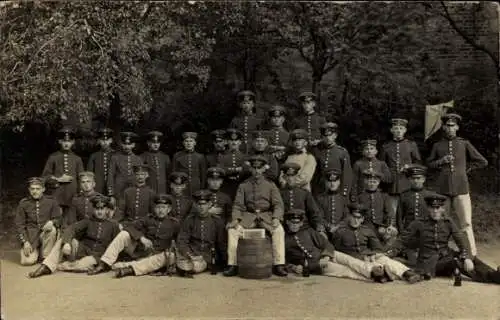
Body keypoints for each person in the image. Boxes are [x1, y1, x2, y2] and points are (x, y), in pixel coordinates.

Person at [401, 193, 500, 284]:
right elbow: (403, 239)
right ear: (428, 208)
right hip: (429, 264)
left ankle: (495, 273)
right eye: (432, 208)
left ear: (442, 209)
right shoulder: (419, 223)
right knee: (456, 261)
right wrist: (388, 252)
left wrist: (467, 257)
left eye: (438, 207)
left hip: (445, 256)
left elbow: (460, 239)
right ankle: (492, 278)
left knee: (471, 258)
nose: (435, 211)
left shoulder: (447, 222)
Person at [426, 113, 488, 257]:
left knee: (466, 222)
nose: (450, 128)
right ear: (443, 127)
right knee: (442, 222)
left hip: (461, 188)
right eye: (447, 126)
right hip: (443, 189)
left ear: (457, 127)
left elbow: (482, 161)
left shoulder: (464, 143)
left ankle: (471, 254)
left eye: (452, 126)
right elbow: (429, 164)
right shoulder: (437, 145)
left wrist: (466, 169)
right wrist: (441, 161)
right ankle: (441, 252)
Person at [223, 155, 288, 277]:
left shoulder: (271, 185)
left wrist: (276, 218)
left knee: (279, 230)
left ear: (264, 169)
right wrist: (236, 219)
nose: (257, 171)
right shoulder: (243, 185)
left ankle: (279, 264)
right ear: (251, 169)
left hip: (266, 216)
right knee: (233, 231)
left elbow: (278, 204)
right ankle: (233, 265)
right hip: (249, 216)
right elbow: (237, 204)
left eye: (260, 168)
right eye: (254, 168)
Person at [27, 194, 120, 277]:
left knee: (81, 265)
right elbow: (71, 229)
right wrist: (67, 243)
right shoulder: (88, 221)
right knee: (63, 241)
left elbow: (117, 246)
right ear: (94, 209)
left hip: (97, 256)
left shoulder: (113, 225)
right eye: (97, 209)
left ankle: (63, 265)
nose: (99, 212)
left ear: (106, 209)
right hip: (82, 250)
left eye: (102, 209)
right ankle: (46, 266)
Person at [87, 194, 180, 277]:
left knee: (170, 256)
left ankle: (129, 269)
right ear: (154, 208)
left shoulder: (174, 223)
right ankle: (105, 264)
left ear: (169, 209)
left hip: (158, 256)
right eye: (158, 207)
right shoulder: (148, 219)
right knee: (124, 234)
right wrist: (141, 238)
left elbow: (180, 241)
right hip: (143, 252)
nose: (161, 210)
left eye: (163, 207)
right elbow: (128, 226)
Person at [284, 208, 386, 282]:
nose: (295, 225)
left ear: (301, 223)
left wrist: (326, 255)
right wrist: (293, 268)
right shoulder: (283, 239)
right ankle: (376, 277)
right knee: (345, 271)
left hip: (327, 254)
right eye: (292, 222)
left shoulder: (308, 231)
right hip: (316, 265)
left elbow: (327, 244)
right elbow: (283, 261)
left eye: (297, 223)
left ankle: (375, 271)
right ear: (287, 222)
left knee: (350, 261)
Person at [332, 203, 421, 284]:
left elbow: (378, 248)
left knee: (384, 259)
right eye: (353, 217)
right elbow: (337, 251)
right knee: (356, 263)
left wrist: (373, 255)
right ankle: (381, 274)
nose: (355, 221)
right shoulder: (341, 231)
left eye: (358, 218)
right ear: (349, 217)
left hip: (366, 256)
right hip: (351, 258)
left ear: (362, 219)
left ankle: (407, 273)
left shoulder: (367, 231)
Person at [176, 189, 227, 278]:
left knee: (195, 266)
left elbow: (221, 243)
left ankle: (187, 268)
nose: (201, 207)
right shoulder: (190, 220)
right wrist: (189, 254)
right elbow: (182, 240)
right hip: (192, 253)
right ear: (195, 205)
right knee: (175, 257)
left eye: (204, 204)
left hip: (208, 256)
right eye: (199, 204)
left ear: (210, 204)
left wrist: (224, 262)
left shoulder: (217, 221)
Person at [380, 118, 422, 223]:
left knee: (408, 212)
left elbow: (418, 162)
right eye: (396, 128)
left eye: (401, 128)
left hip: (407, 183)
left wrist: (409, 166)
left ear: (405, 130)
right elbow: (382, 165)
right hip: (392, 184)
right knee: (392, 214)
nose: (398, 131)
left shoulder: (411, 145)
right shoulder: (386, 146)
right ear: (391, 130)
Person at [15, 177, 61, 266]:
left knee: (52, 230)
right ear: (29, 190)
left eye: (38, 189)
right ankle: (37, 251)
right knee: (27, 262)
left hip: (45, 233)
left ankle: (45, 256)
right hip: (31, 237)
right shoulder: (24, 203)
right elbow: (19, 224)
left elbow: (59, 219)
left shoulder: (51, 202)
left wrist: (52, 222)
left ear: (43, 189)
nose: (34, 191)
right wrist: (25, 242)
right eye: (32, 189)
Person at [42, 127, 84, 220]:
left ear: (73, 142)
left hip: (72, 195)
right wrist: (58, 179)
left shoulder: (77, 159)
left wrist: (80, 194)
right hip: (57, 194)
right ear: (60, 141)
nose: (66, 143)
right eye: (64, 141)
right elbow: (45, 177)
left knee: (70, 221)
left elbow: (81, 178)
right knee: (56, 219)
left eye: (69, 141)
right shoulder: (53, 157)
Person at [396, 164, 432, 265]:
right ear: (409, 180)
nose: (415, 181)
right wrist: (402, 233)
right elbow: (399, 217)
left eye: (418, 178)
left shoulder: (429, 196)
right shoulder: (404, 195)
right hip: (409, 234)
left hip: (425, 235)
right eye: (413, 178)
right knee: (412, 260)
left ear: (423, 179)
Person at [279, 162, 324, 234]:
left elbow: (314, 212)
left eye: (293, 176)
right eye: (288, 176)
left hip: (303, 227)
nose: (290, 179)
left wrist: (319, 226)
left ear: (297, 176)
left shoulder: (304, 193)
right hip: (286, 228)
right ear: (284, 177)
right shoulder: (279, 193)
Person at [356, 169, 398, 248]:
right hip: (365, 227)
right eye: (370, 181)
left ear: (378, 182)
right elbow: (357, 214)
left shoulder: (384, 196)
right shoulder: (360, 197)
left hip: (380, 228)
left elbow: (390, 213)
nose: (372, 184)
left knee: (391, 236)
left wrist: (386, 226)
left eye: (374, 182)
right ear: (365, 181)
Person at [312, 122, 352, 197]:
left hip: (337, 190)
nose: (328, 138)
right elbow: (315, 173)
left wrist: (344, 193)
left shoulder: (342, 152)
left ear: (335, 136)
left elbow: (347, 175)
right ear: (322, 137)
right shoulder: (318, 151)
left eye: (330, 135)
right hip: (321, 190)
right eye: (325, 136)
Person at [107, 131, 143, 201]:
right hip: (118, 191)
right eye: (124, 144)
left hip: (133, 190)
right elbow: (110, 175)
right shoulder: (115, 157)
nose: (127, 146)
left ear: (133, 145)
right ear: (121, 144)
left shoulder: (138, 159)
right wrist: (111, 194)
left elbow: (141, 177)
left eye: (129, 144)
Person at [315, 169, 348, 240]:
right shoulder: (320, 198)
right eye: (329, 181)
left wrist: (337, 226)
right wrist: (329, 226)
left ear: (339, 182)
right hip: (326, 229)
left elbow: (347, 216)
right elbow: (319, 217)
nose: (332, 184)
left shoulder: (343, 198)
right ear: (326, 183)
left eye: (335, 181)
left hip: (341, 229)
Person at [172, 131, 207, 197]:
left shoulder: (200, 157)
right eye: (186, 141)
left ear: (195, 143)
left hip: (196, 186)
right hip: (182, 186)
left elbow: (203, 175)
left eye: (191, 141)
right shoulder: (177, 156)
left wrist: (202, 188)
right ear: (183, 143)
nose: (189, 143)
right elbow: (174, 174)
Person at [219, 128, 246, 199]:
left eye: (236, 140)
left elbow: (245, 171)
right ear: (227, 142)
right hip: (226, 187)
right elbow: (221, 170)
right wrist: (237, 169)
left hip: (240, 186)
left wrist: (228, 170)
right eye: (231, 140)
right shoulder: (222, 156)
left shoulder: (245, 156)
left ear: (240, 142)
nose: (234, 143)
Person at [87, 128, 115, 196]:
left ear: (111, 140)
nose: (105, 142)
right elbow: (89, 174)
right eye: (102, 140)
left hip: (113, 187)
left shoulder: (116, 155)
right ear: (99, 141)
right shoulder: (94, 156)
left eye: (107, 140)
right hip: (97, 188)